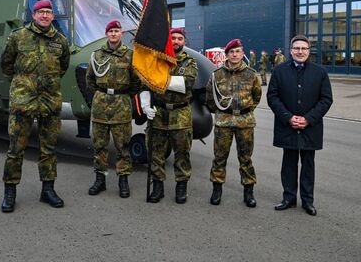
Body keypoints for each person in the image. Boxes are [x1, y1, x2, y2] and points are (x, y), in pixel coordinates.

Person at [0, 0, 70, 213]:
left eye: (49, 12)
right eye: (41, 12)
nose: (45, 16)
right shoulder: (17, 37)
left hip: (49, 101)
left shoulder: (60, 41)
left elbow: (63, 67)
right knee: (15, 149)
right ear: (34, 14)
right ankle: (10, 191)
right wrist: (24, 83)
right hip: (23, 101)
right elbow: (6, 65)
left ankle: (47, 190)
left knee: (48, 148)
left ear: (53, 16)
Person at [267, 35, 333, 216]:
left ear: (308, 51)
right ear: (290, 50)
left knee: (308, 165)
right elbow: (272, 97)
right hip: (287, 126)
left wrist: (308, 119)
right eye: (297, 48)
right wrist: (288, 117)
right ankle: (288, 198)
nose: (300, 51)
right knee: (288, 163)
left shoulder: (320, 73)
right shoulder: (279, 71)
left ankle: (307, 201)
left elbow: (326, 99)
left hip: (310, 127)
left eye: (304, 48)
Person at [140, 27, 198, 204]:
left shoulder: (189, 62)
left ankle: (181, 187)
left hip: (180, 114)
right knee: (155, 153)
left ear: (184, 41)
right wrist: (144, 105)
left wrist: (158, 80)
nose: (176, 41)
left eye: (180, 38)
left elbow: (186, 84)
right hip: (158, 112)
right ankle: (158, 187)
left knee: (182, 153)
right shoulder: (157, 60)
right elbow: (145, 84)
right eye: (173, 38)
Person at [86, 20, 141, 198]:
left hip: (121, 105)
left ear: (121, 33)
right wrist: (102, 94)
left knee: (122, 146)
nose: (114, 34)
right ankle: (99, 180)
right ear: (106, 34)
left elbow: (136, 82)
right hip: (100, 105)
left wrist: (122, 94)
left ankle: (123, 181)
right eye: (111, 31)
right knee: (99, 145)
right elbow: (90, 80)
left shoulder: (130, 56)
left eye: (117, 31)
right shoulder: (97, 55)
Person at [206, 39, 261, 207]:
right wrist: (222, 113)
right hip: (224, 122)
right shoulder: (217, 74)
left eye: (238, 51)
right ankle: (217, 189)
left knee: (246, 158)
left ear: (242, 53)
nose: (235, 55)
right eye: (231, 52)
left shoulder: (251, 74)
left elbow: (256, 97)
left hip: (245, 122)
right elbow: (210, 98)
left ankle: (248, 191)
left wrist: (244, 111)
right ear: (227, 54)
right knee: (219, 157)